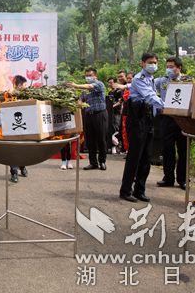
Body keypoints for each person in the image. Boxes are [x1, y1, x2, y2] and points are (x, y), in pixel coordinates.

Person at [119, 53, 164, 203]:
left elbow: (152, 101)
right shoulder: (139, 79)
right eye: (150, 62)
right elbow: (150, 96)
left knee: (146, 157)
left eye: (155, 62)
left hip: (148, 119)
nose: (153, 65)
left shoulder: (151, 79)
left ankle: (140, 190)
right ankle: (126, 190)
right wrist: (168, 106)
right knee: (134, 157)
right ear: (142, 63)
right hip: (137, 120)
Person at [154, 56, 187, 190]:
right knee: (167, 150)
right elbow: (148, 86)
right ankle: (168, 178)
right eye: (167, 67)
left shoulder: (187, 81)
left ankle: (182, 179)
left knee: (183, 150)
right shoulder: (162, 81)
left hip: (183, 120)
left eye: (171, 67)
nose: (168, 69)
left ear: (179, 68)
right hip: (166, 119)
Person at [68, 67, 108, 171]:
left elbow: (90, 86)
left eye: (90, 75)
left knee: (101, 139)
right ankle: (93, 163)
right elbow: (81, 101)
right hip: (89, 115)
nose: (88, 77)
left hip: (100, 114)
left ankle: (102, 161)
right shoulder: (85, 91)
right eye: (86, 76)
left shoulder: (99, 84)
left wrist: (76, 85)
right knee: (90, 140)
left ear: (95, 76)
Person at [9, 75, 28, 182]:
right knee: (13, 150)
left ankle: (22, 166)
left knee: (23, 149)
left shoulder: (26, 96)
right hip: (12, 128)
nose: (25, 86)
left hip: (24, 127)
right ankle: (14, 172)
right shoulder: (10, 95)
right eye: (24, 84)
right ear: (19, 85)